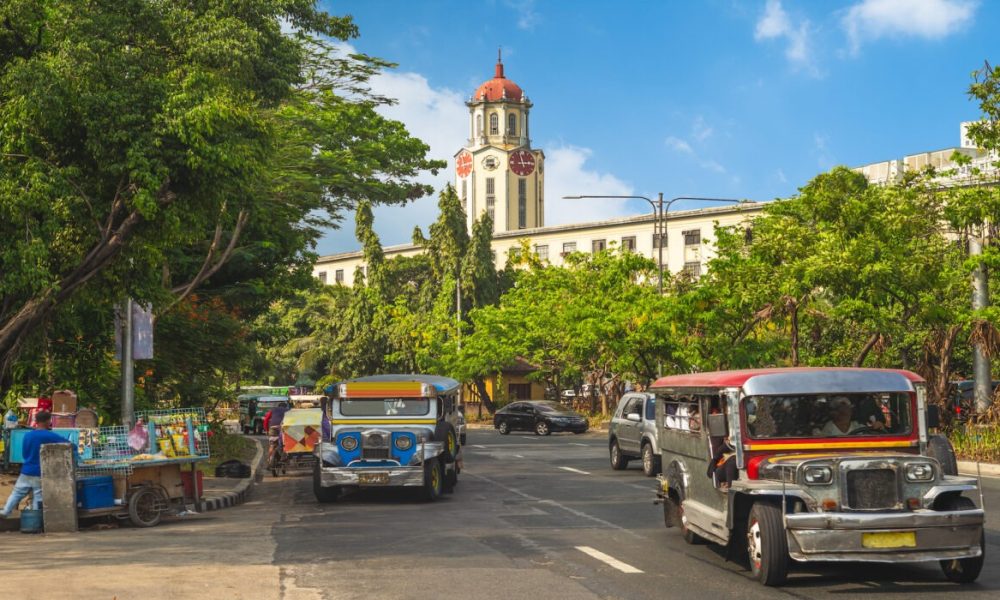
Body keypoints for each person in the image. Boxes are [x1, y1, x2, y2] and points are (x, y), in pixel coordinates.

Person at [0, 411, 72, 518]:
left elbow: (24, 454)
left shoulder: (27, 435)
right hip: (40, 471)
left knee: (17, 493)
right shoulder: (50, 435)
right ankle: (34, 519)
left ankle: (5, 511)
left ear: (36, 421)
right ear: (48, 421)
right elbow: (69, 445)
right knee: (38, 496)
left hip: (26, 470)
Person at [815, 396, 885, 436]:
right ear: (834, 413)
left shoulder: (857, 425)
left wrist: (878, 426)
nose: (845, 415)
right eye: (841, 412)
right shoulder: (829, 427)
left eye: (847, 411)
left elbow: (870, 433)